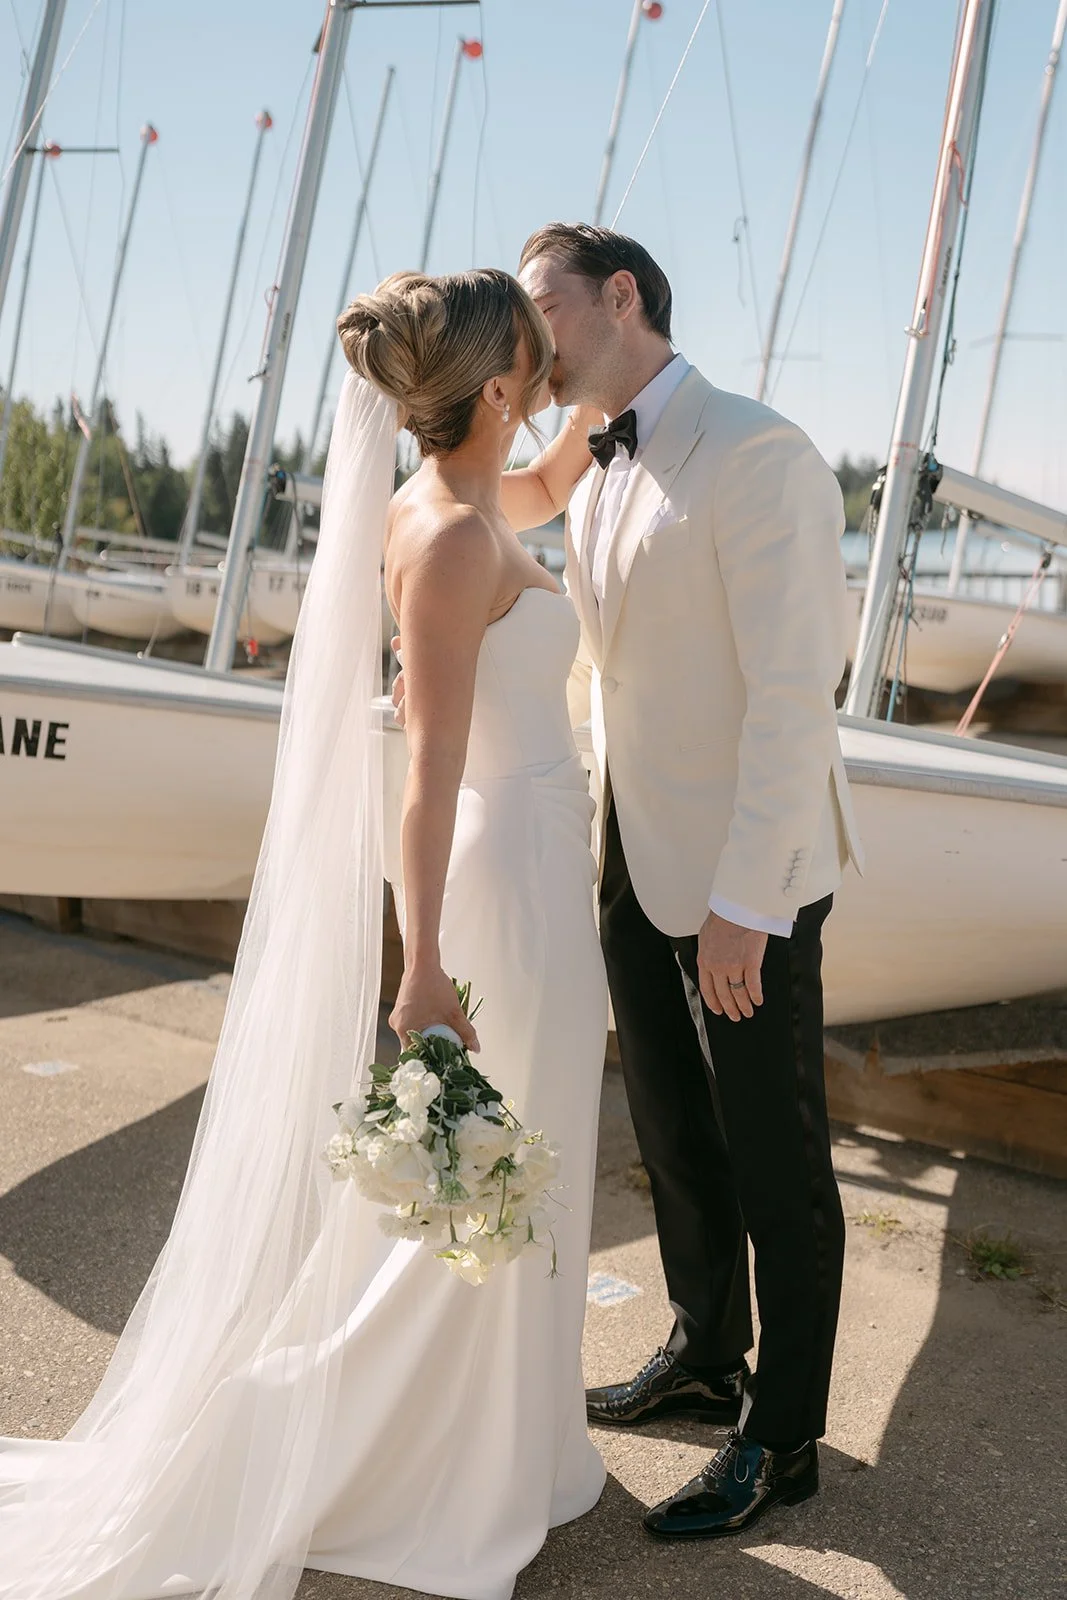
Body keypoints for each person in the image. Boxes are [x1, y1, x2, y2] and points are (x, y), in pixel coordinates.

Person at [0, 269, 609, 1600]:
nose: (549, 371)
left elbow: (549, 489)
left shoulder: (454, 501)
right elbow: (426, 768)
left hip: (540, 857)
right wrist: (424, 964)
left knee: (526, 1157)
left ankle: (511, 1441)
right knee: (491, 1170)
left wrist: (604, 399)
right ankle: (398, 1457)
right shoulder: (447, 539)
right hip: (499, 873)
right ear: (495, 383)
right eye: (536, 356)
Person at [511, 223, 865, 1541]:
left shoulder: (757, 452)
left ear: (622, 297)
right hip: (631, 853)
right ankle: (707, 1351)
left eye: (541, 304)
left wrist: (750, 903)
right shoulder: (588, 463)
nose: (529, 333)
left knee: (775, 1163)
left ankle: (782, 1437)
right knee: (671, 1135)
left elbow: (791, 700)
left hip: (741, 877)